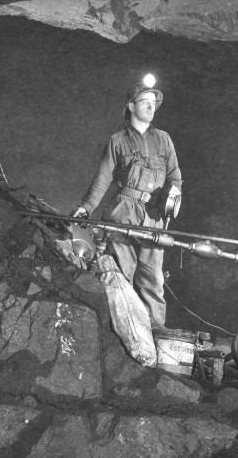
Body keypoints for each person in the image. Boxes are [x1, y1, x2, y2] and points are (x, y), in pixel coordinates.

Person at [74, 74, 182, 328]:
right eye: (144, 101)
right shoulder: (118, 140)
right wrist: (86, 207)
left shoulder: (164, 139)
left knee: (153, 280)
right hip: (123, 211)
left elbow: (174, 174)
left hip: (154, 215)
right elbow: (103, 178)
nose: (150, 105)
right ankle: (121, 331)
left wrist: (173, 196)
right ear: (131, 106)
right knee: (123, 275)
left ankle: (155, 334)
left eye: (153, 102)